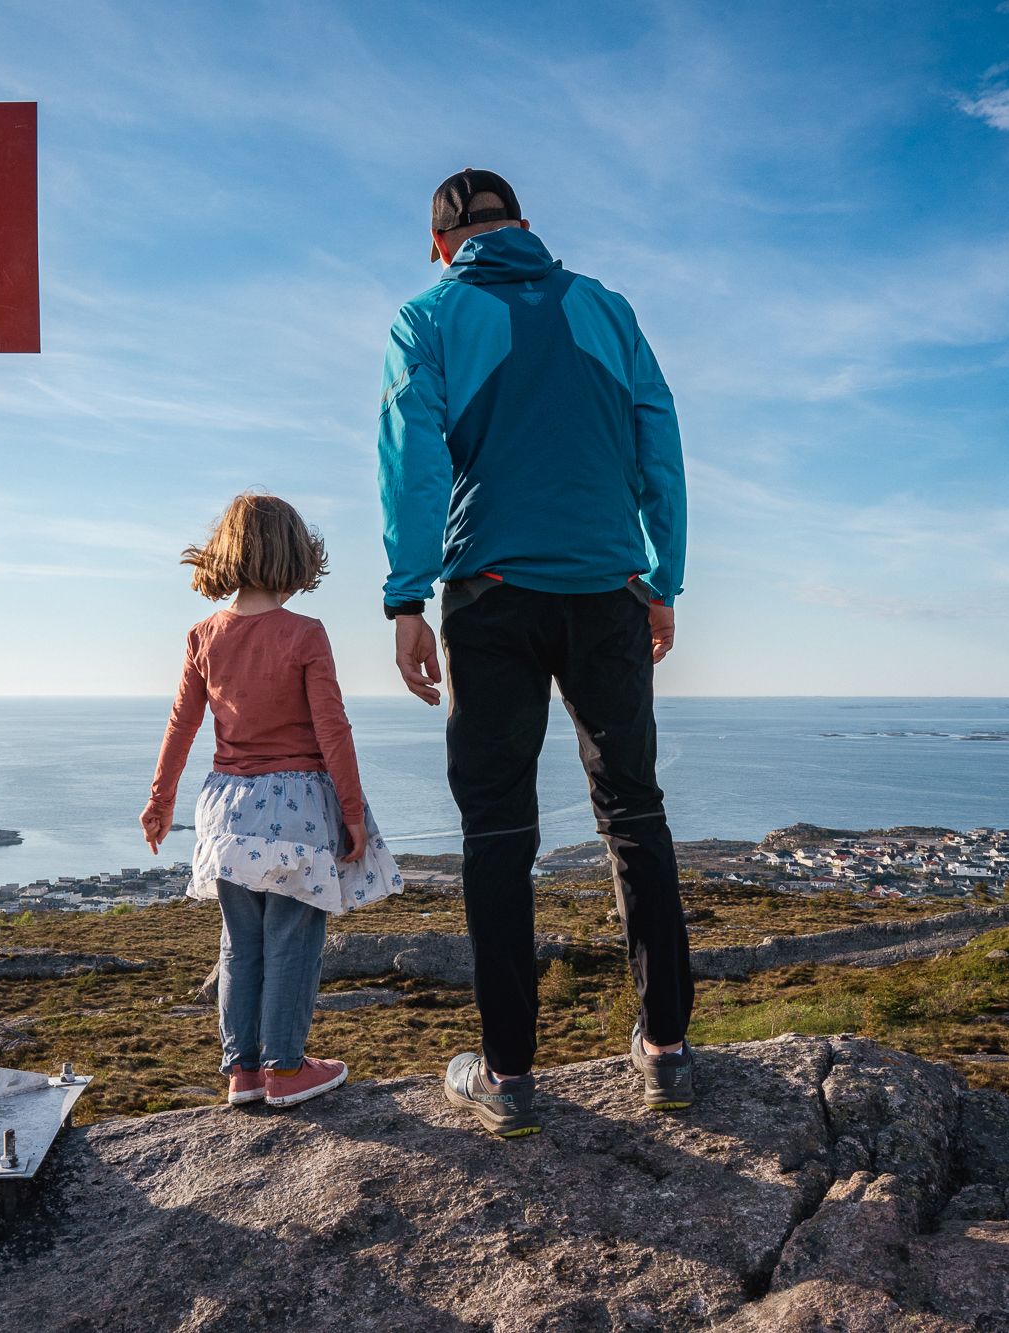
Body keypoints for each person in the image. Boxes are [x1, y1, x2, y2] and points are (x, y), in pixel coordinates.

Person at [377, 168, 693, 1138]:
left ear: (441, 244)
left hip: (492, 597)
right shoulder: (603, 306)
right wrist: (662, 575)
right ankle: (666, 1055)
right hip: (607, 591)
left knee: (496, 835)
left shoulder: (427, 317)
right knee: (632, 809)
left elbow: (413, 458)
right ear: (523, 225)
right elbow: (657, 439)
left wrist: (405, 596)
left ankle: (508, 1077)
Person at [142, 493, 405, 1110]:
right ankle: (287, 1068)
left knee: (239, 941)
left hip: (226, 809)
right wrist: (351, 812)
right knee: (293, 937)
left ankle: (244, 1074)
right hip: (296, 807)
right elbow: (331, 729)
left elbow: (181, 723)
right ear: (295, 556)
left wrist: (160, 800)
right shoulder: (305, 634)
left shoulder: (204, 635)